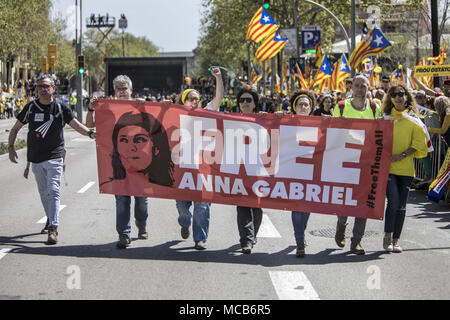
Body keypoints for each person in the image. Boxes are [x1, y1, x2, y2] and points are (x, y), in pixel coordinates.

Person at [8, 74, 95, 245]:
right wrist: (11, 148)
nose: (42, 89)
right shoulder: (31, 107)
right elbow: (15, 128)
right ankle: (50, 218)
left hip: (55, 156)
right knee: (43, 192)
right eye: (40, 86)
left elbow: (76, 125)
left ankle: (53, 228)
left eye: (46, 86)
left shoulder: (61, 108)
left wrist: (90, 133)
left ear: (53, 89)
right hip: (36, 158)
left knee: (54, 190)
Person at [87, 75, 149, 249]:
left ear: (131, 89)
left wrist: (145, 106)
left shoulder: (140, 105)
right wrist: (92, 109)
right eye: (118, 88)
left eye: (124, 88)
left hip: (140, 163)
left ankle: (142, 224)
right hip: (118, 162)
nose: (122, 91)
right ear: (114, 91)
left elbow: (157, 124)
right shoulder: (107, 107)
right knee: (121, 200)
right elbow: (90, 124)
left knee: (142, 201)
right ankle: (124, 234)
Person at [332, 75, 382, 255]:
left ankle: (356, 241)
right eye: (357, 86)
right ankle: (341, 226)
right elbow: (332, 132)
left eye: (364, 86)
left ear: (369, 87)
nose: (360, 89)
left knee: (364, 202)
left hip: (368, 163)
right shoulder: (341, 107)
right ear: (351, 87)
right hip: (345, 162)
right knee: (345, 199)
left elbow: (382, 133)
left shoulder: (376, 108)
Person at [175, 67, 224, 250]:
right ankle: (184, 223)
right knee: (182, 207)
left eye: (197, 98)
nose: (195, 101)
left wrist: (218, 78)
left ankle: (200, 238)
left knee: (202, 205)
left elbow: (218, 99)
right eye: (191, 98)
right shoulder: (174, 115)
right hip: (182, 169)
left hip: (204, 168)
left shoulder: (206, 112)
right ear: (183, 101)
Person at [382, 83, 429, 252]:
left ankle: (396, 240)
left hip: (406, 170)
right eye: (394, 95)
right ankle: (387, 236)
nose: (398, 97)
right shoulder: (384, 119)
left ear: (407, 96)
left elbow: (419, 145)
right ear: (391, 99)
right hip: (388, 169)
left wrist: (401, 155)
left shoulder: (414, 121)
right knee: (393, 201)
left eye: (401, 94)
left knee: (402, 205)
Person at [100, 111, 175, 188]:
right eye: (124, 140)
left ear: (157, 148)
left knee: (141, 200)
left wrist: (164, 108)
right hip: (120, 189)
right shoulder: (108, 186)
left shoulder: (166, 189)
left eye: (140, 140)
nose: (131, 147)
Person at [288, 89, 317, 257]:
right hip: (293, 172)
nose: (304, 107)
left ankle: (301, 232)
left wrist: (332, 123)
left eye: (307, 104)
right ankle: (299, 240)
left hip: (312, 172)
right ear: (294, 107)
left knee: (306, 207)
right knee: (296, 207)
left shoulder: (320, 123)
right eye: (300, 104)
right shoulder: (286, 122)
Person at [235, 88, 263, 254]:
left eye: (248, 100)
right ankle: (246, 240)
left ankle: (252, 235)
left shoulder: (264, 120)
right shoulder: (229, 120)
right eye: (242, 100)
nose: (245, 103)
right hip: (239, 171)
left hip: (259, 172)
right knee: (242, 205)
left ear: (254, 104)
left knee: (257, 207)